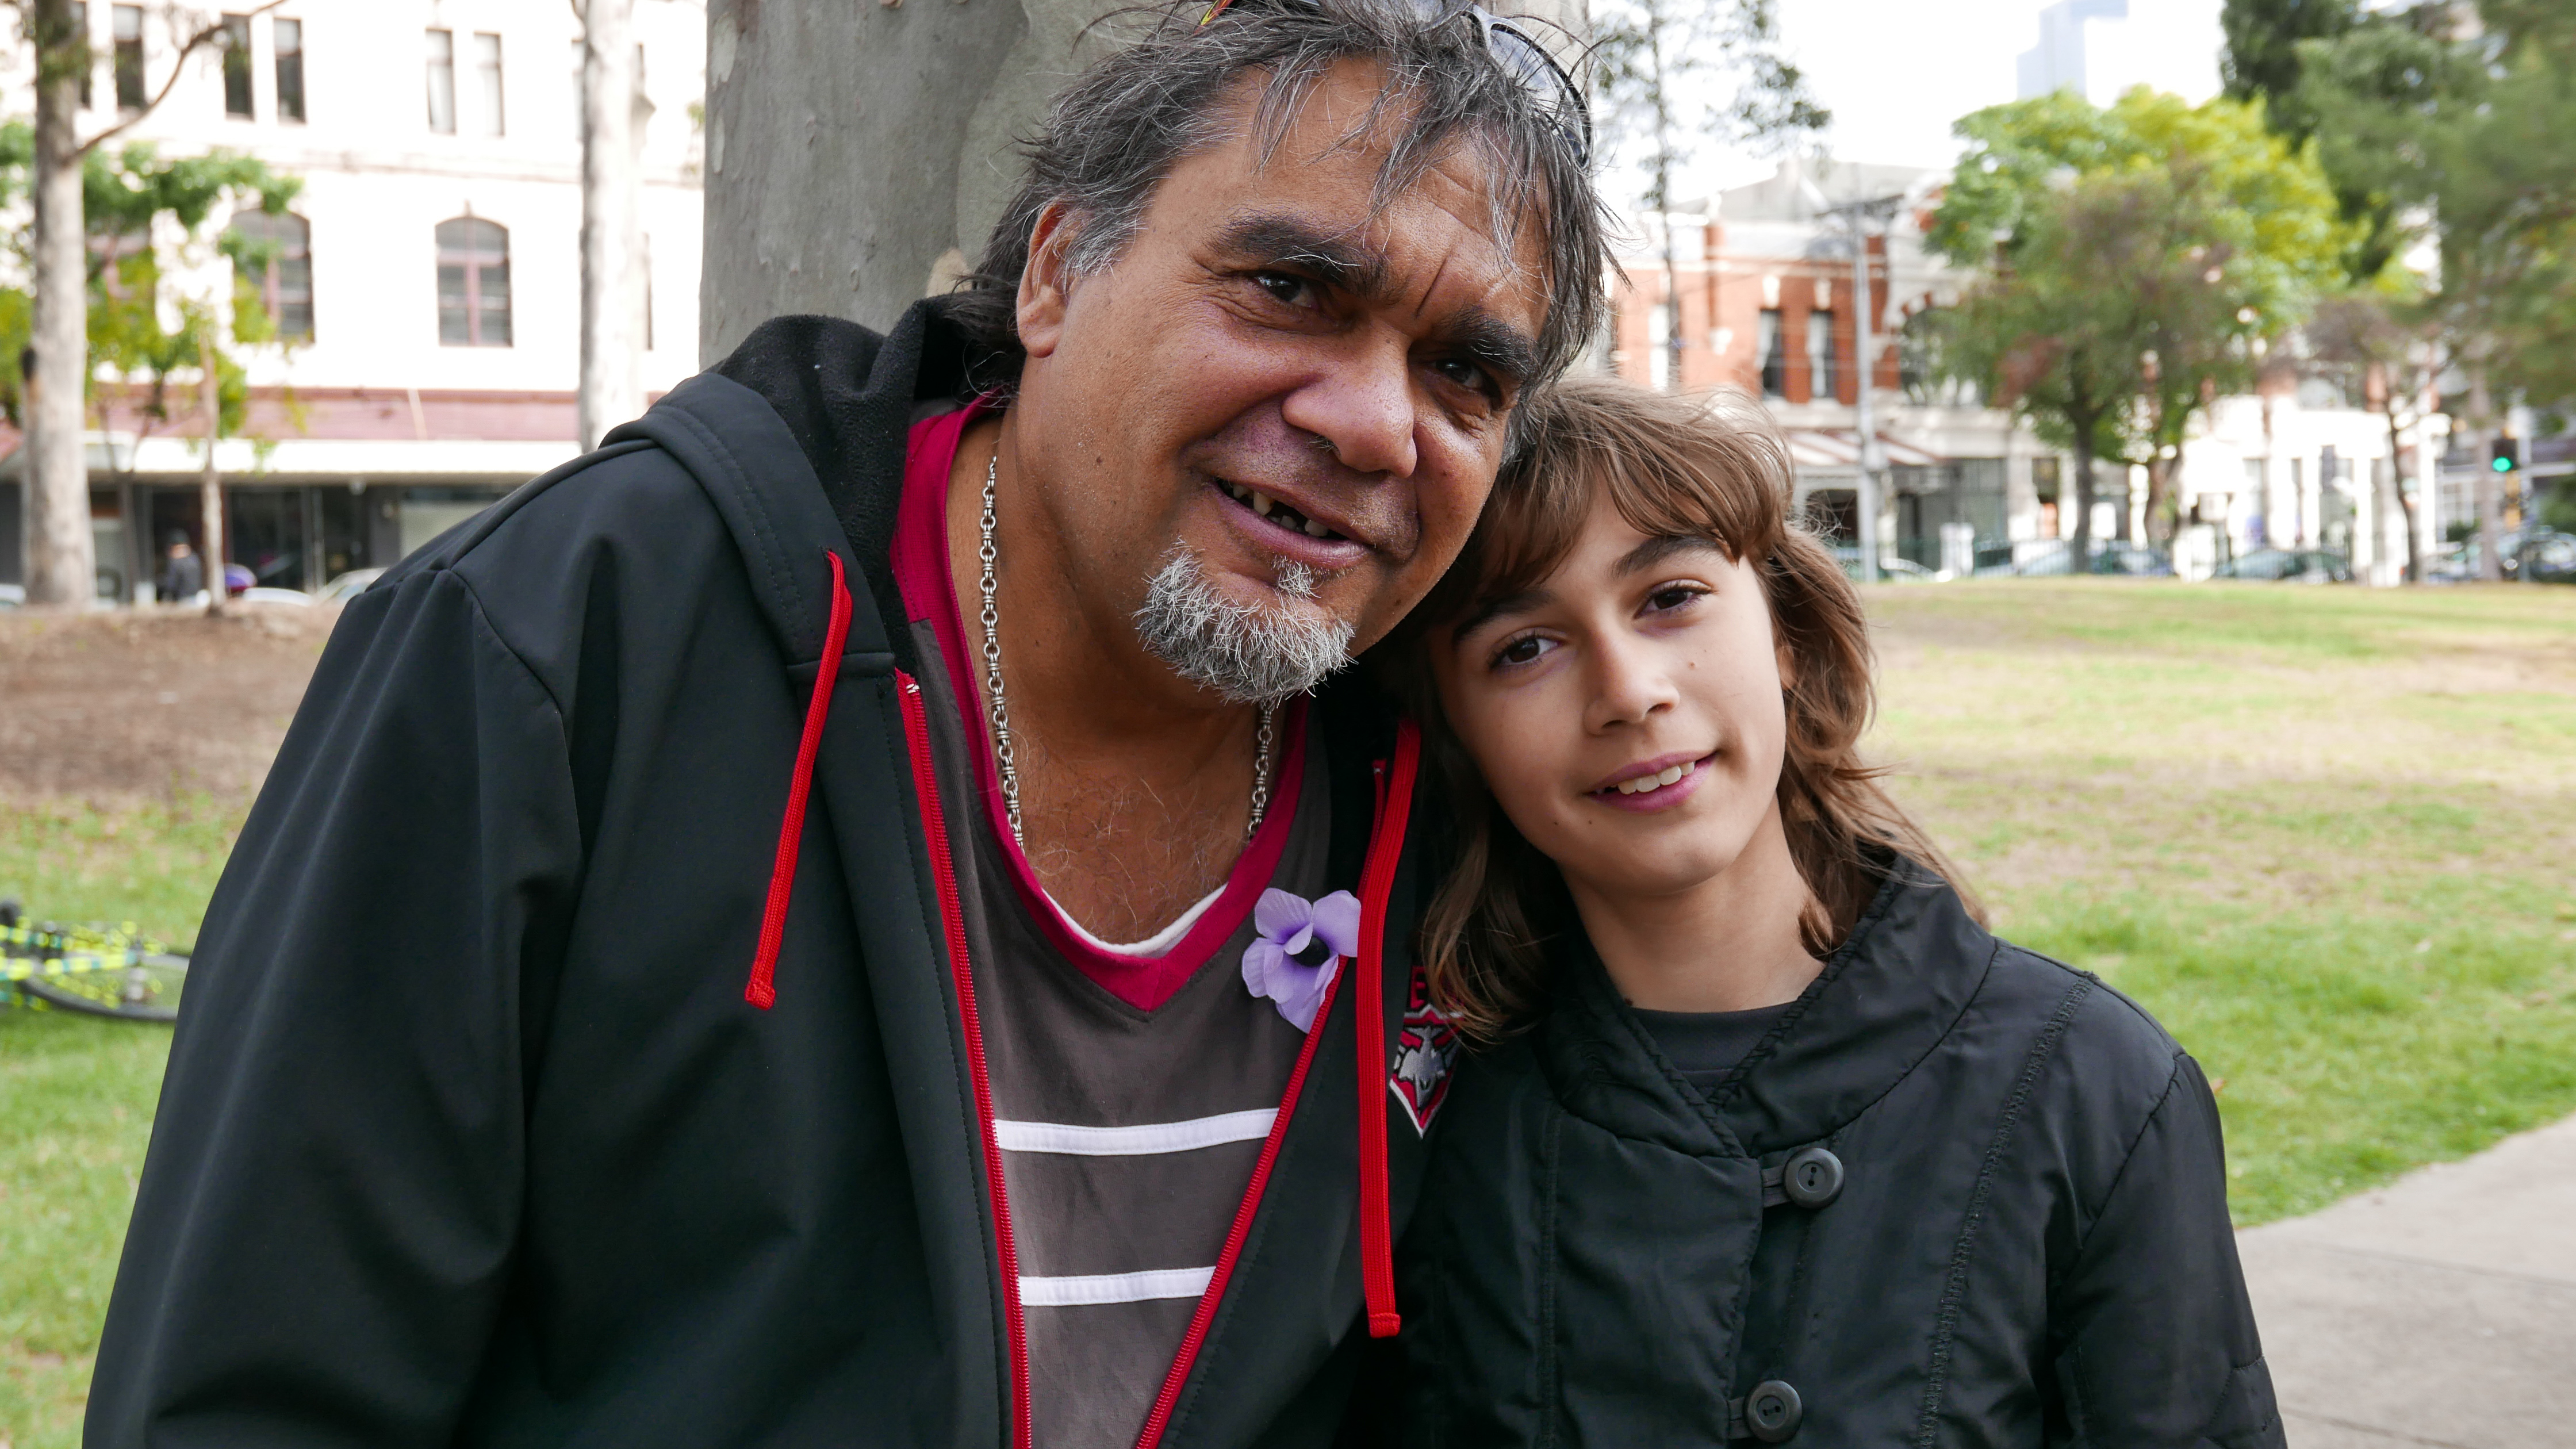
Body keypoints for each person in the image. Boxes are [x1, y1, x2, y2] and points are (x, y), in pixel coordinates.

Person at [86, 3, 1605, 1445]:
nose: (1373, 423)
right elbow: (246, 1392)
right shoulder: (560, 644)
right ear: (1059, 274)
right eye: (1289, 289)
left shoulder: (1453, 774)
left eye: (1466, 374)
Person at [1379, 378, 2282, 1444]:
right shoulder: (1419, 1113)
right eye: (1522, 648)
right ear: (1456, 739)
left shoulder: (2096, 1091)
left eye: (1669, 596)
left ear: (1787, 639)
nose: (1628, 691)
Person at [156, 530, 203, 604]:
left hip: (182, 602)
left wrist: (160, 583)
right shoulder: (195, 559)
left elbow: (170, 585)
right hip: (196, 600)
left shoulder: (176, 563)